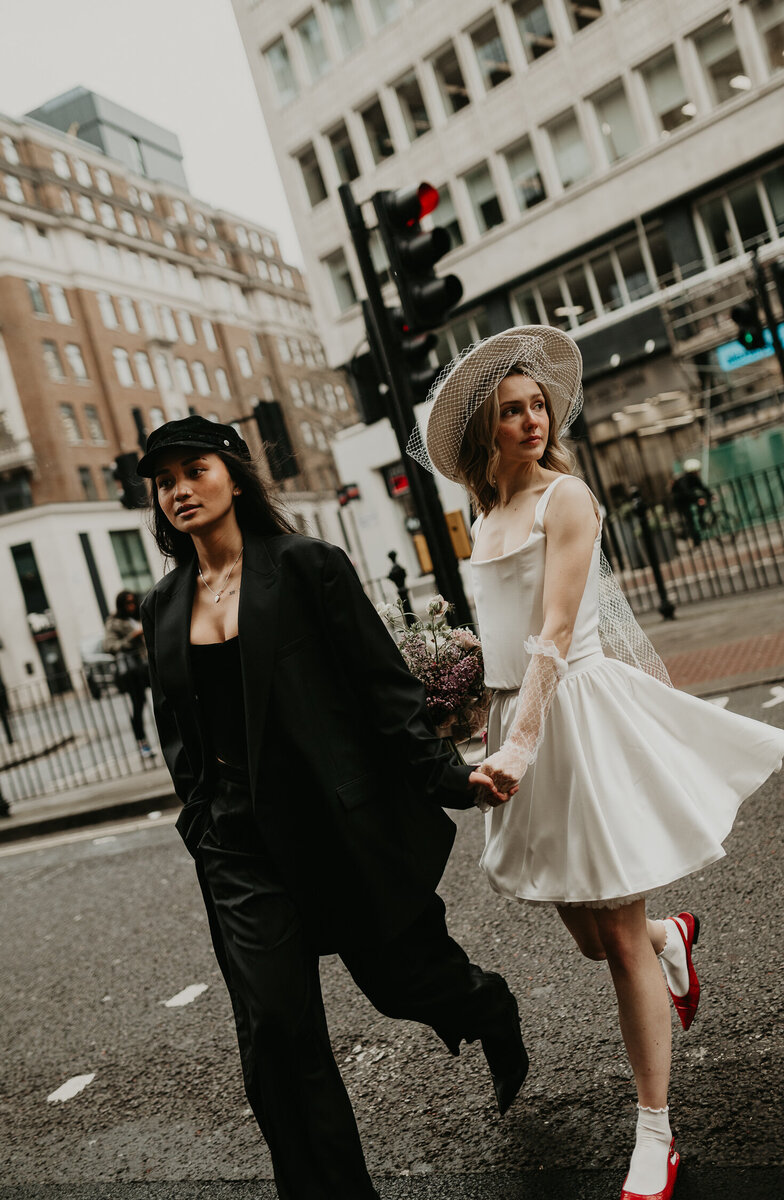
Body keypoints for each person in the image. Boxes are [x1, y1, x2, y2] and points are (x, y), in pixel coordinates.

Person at [410, 326, 784, 1200]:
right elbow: (505, 637)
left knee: (614, 941)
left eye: (537, 405)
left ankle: (655, 1133)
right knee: (588, 933)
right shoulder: (484, 514)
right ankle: (672, 938)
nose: (531, 419)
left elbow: (550, 634)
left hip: (573, 718)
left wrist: (520, 739)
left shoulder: (564, 500)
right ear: (484, 433)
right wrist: (462, 688)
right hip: (516, 723)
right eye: (512, 411)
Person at [136, 415, 528, 1200]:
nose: (179, 489)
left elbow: (382, 691)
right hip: (239, 851)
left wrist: (452, 778)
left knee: (405, 985)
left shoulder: (307, 566)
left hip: (335, 828)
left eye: (195, 470)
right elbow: (177, 729)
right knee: (276, 1032)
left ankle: (487, 1006)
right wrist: (201, 820)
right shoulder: (164, 604)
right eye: (166, 479)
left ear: (235, 476)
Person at [103, 590, 153, 757]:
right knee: (138, 704)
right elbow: (110, 647)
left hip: (148, 665)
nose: (131, 606)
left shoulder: (141, 614)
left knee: (166, 698)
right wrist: (133, 636)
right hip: (132, 670)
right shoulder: (114, 623)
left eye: (133, 602)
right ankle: (142, 743)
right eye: (127, 603)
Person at [670, 458, 712, 547]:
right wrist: (697, 499)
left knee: (702, 505)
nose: (698, 473)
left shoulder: (694, 478)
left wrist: (710, 495)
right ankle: (695, 540)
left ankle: (701, 521)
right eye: (696, 471)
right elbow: (686, 492)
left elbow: (702, 487)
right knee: (690, 520)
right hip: (681, 501)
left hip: (689, 499)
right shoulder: (684, 480)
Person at [387, 549, 411, 621]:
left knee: (407, 609)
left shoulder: (395, 568)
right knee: (406, 608)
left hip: (402, 590)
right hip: (402, 590)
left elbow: (391, 576)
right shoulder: (397, 567)